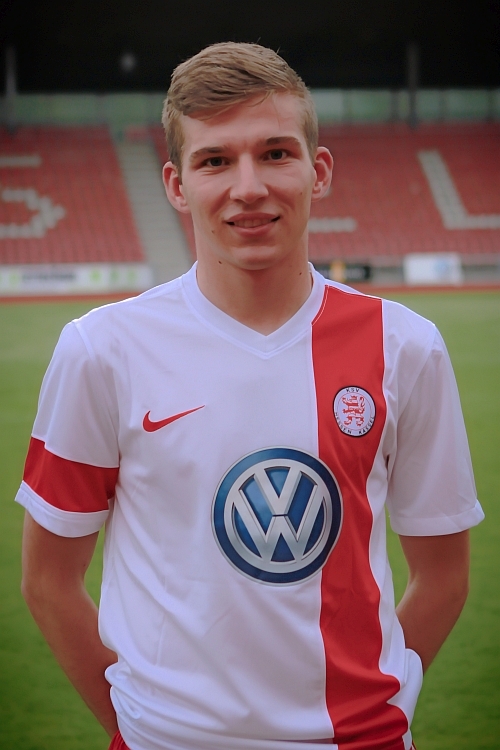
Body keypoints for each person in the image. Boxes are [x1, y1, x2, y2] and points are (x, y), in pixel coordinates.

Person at [17, 42, 483, 750]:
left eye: (275, 154)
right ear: (176, 185)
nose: (249, 186)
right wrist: (142, 728)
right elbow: (49, 582)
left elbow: (444, 575)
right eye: (214, 161)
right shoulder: (100, 351)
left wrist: (373, 709)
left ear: (317, 170)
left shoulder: (406, 347)